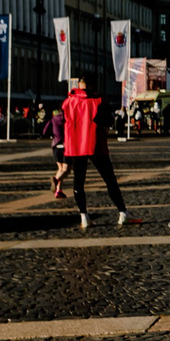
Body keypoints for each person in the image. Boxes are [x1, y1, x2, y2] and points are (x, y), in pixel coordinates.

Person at [58, 78, 137, 230]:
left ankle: (84, 216)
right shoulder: (99, 101)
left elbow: (63, 121)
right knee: (110, 180)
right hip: (95, 144)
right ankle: (122, 212)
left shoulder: (68, 102)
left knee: (78, 182)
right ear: (92, 85)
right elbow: (107, 121)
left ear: (78, 85)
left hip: (76, 146)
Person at [43, 104, 70, 199]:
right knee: (67, 169)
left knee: (60, 169)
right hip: (66, 146)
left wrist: (54, 135)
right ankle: (56, 180)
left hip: (56, 146)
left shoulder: (53, 119)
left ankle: (59, 190)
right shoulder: (68, 119)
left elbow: (45, 131)